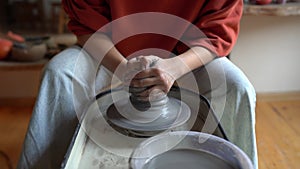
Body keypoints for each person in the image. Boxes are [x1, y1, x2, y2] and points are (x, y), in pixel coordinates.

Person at [17, 0, 258, 168]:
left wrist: (175, 67)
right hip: (110, 52)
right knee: (58, 73)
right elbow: (87, 24)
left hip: (184, 55)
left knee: (237, 86)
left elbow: (217, 31)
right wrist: (122, 68)